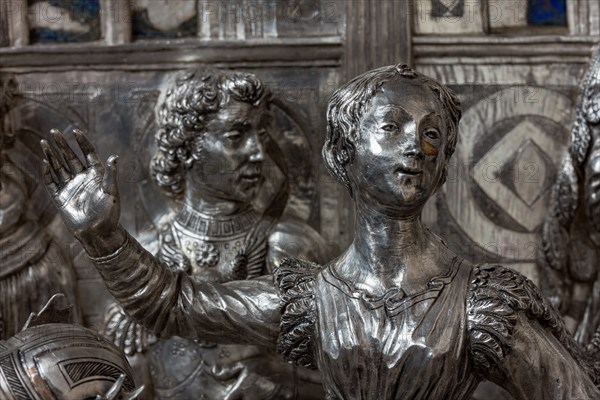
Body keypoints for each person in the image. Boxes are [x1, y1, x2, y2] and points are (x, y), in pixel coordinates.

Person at [41, 64, 600, 400]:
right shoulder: (310, 300)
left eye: (433, 136)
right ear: (342, 155)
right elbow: (174, 303)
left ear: (444, 164)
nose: (417, 146)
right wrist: (103, 236)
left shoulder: (482, 307)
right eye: (392, 127)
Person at [49, 69, 326, 400]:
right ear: (186, 146)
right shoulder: (144, 257)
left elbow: (348, 371)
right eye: (236, 136)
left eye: (262, 134)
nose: (258, 153)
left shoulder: (290, 246)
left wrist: (282, 381)